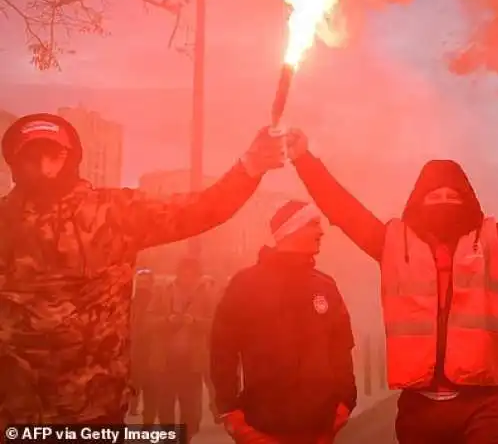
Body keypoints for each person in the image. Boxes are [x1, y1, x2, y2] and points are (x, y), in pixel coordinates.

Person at [284, 127, 498, 443]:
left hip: (484, 405)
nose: (445, 204)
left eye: (453, 197)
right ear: (418, 204)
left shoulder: (493, 241)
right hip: (419, 407)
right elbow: (344, 210)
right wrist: (304, 160)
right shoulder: (391, 244)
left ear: (468, 203)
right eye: (435, 197)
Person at [0, 113, 286, 428]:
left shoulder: (112, 213)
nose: (43, 168)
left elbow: (201, 209)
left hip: (93, 412)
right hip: (13, 412)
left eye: (53, 155)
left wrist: (250, 166)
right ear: (14, 163)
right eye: (30, 157)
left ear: (72, 158)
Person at [210, 200, 356, 444]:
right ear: (291, 229)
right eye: (313, 224)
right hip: (262, 426)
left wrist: (345, 402)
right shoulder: (246, 284)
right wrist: (230, 412)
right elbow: (222, 351)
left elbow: (341, 348)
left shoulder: (325, 285)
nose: (321, 231)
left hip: (319, 426)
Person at [157, 257, 216, 441]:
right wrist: (168, 321)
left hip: (192, 362)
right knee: (165, 406)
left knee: (191, 410)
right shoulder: (164, 292)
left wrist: (195, 322)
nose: (188, 278)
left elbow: (214, 324)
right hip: (166, 360)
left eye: (193, 274)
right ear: (179, 273)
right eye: (185, 273)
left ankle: (186, 438)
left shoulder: (205, 295)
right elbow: (147, 322)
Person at [130, 269, 160, 424]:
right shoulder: (130, 303)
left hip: (153, 351)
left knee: (151, 390)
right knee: (133, 385)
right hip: (134, 351)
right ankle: (132, 407)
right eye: (140, 282)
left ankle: (148, 421)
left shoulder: (159, 302)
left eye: (146, 282)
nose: (143, 286)